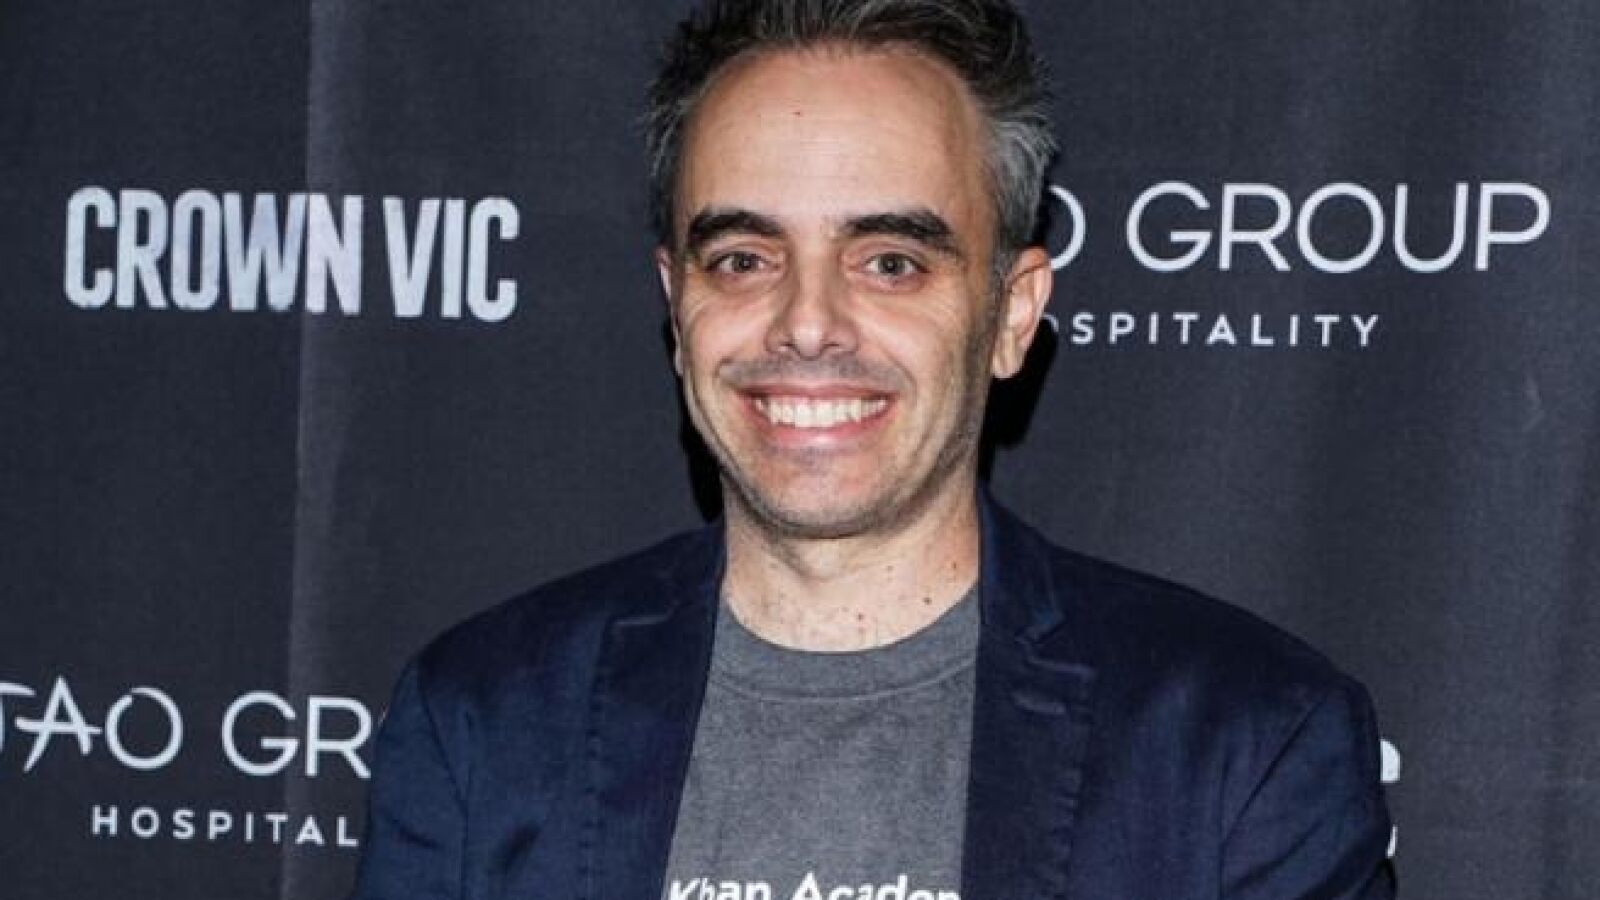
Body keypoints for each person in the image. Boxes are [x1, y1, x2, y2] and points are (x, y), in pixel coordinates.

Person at [351, 1, 1395, 898]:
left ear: (1011, 313)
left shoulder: (1244, 746)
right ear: (676, 304)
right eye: (744, 258)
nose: (807, 324)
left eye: (891, 261)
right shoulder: (481, 722)